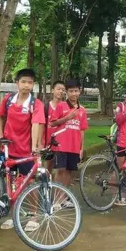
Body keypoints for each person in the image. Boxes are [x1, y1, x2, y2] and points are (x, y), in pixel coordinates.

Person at [0, 68, 45, 231]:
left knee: (29, 182)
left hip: (25, 151)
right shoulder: (8, 99)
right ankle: (13, 215)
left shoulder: (35, 103)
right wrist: (0, 134)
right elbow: (0, 116)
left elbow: (36, 124)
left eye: (30, 82)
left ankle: (33, 215)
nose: (27, 85)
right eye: (23, 82)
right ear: (17, 83)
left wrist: (35, 147)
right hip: (8, 148)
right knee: (9, 181)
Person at [49, 79, 89, 208]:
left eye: (76, 91)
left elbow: (82, 130)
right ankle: (55, 199)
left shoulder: (82, 110)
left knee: (68, 172)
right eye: (71, 91)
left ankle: (63, 198)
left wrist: (81, 148)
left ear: (80, 92)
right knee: (60, 170)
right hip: (61, 144)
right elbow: (52, 123)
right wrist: (67, 118)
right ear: (67, 92)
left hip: (74, 146)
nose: (74, 94)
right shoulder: (61, 106)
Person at [44, 80, 65, 174]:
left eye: (63, 90)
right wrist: (41, 142)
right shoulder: (46, 107)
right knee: (48, 168)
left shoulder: (66, 107)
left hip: (62, 144)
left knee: (61, 169)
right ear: (52, 90)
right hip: (49, 144)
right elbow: (42, 125)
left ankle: (58, 188)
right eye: (58, 89)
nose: (61, 91)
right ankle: (46, 187)